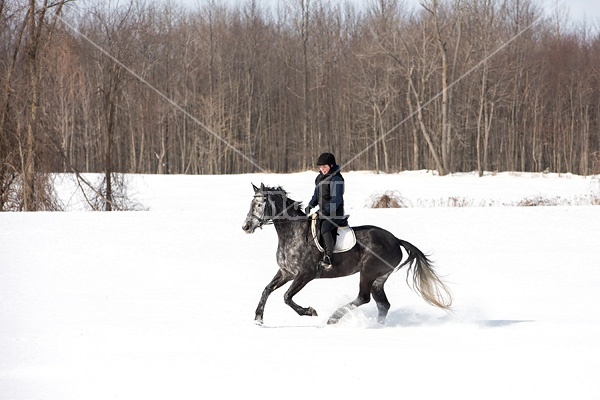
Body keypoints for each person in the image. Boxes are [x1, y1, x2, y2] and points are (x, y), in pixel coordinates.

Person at [304, 152, 345, 271]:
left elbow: (336, 200)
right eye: (321, 167)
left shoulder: (336, 179)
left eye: (324, 167)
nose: (322, 169)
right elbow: (316, 195)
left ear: (331, 166)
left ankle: (328, 257)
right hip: (323, 211)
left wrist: (324, 212)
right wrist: (310, 205)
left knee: (325, 228)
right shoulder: (319, 178)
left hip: (335, 213)